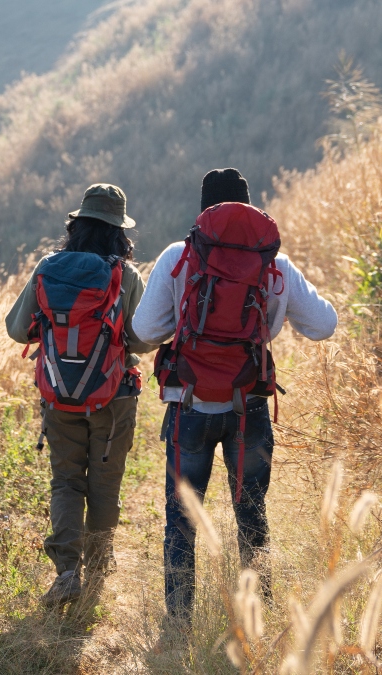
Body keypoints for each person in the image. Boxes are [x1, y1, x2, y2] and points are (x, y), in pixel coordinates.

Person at [132, 168, 337, 627]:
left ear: (203, 212)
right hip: (249, 408)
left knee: (182, 519)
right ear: (250, 207)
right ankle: (257, 615)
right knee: (252, 513)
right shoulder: (275, 266)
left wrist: (184, 319)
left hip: (189, 404)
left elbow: (145, 330)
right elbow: (324, 325)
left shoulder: (177, 257)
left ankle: (179, 624)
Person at [6, 183, 155, 607]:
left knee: (67, 482)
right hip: (113, 397)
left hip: (59, 397)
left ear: (77, 225)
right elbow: (143, 341)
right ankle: (99, 573)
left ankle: (67, 572)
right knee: (105, 485)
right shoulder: (125, 275)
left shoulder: (47, 267)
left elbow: (17, 330)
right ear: (119, 232)